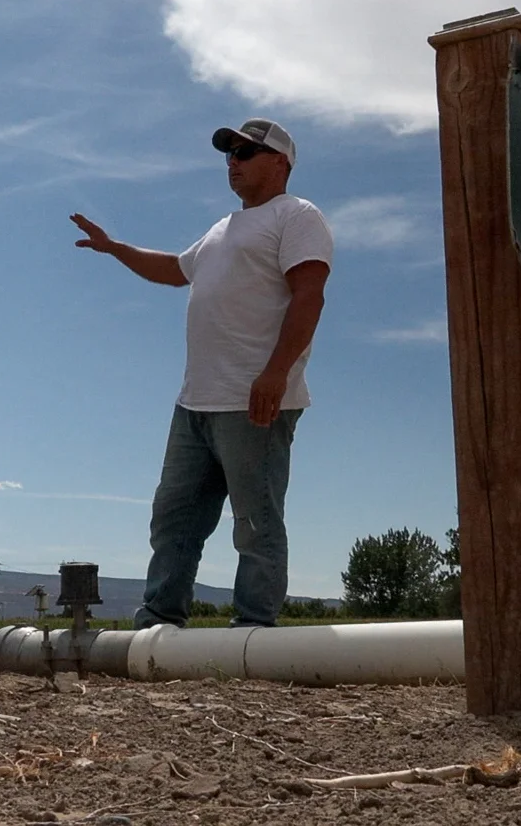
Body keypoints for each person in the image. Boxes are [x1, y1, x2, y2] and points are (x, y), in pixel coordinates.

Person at [70, 118, 333, 629]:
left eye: (246, 152)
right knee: (174, 518)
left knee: (254, 522)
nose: (232, 161)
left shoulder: (298, 216)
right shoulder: (223, 228)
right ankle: (159, 624)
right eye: (228, 153)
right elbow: (175, 269)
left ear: (280, 162)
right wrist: (115, 247)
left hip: (254, 400)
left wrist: (276, 373)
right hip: (195, 404)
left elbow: (310, 295)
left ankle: (253, 632)